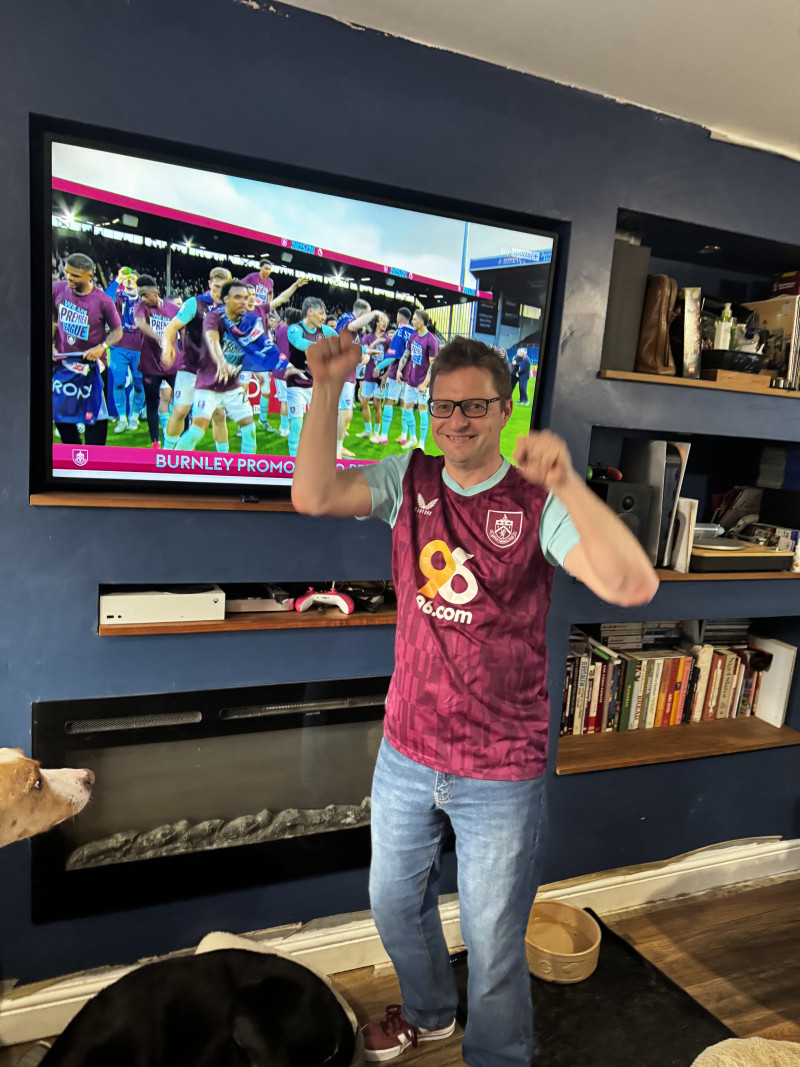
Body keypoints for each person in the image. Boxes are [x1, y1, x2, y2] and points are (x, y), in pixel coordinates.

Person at [291, 333, 658, 1067]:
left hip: (499, 766)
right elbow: (314, 494)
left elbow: (633, 585)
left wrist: (569, 483)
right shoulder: (408, 478)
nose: (457, 421)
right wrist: (327, 387)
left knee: (493, 939)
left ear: (504, 409)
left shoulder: (536, 499)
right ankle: (429, 1015)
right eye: (444, 406)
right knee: (394, 903)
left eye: (475, 406)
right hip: (407, 750)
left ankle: (498, 1055)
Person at [173, 279, 289, 453]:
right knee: (198, 428)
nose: (245, 301)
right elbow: (212, 339)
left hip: (231, 383)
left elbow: (260, 344)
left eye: (247, 297)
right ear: (226, 299)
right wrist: (221, 362)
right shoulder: (214, 317)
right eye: (239, 297)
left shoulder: (250, 319)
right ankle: (173, 459)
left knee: (248, 425)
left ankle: (244, 465)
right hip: (209, 380)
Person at [52, 252, 122, 446]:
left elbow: (117, 331)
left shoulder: (103, 300)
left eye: (75, 275)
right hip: (64, 364)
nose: (69, 278)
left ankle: (94, 457)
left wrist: (102, 347)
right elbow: (50, 318)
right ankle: (73, 449)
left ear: (89, 276)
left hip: (94, 367)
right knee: (61, 414)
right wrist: (51, 345)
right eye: (67, 273)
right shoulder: (57, 289)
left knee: (96, 419)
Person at [160, 267, 231, 451]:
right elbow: (171, 327)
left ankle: (223, 459)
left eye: (223, 288)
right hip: (190, 367)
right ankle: (167, 452)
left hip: (214, 372)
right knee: (180, 410)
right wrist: (167, 347)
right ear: (209, 284)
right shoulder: (195, 303)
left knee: (219, 415)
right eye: (216, 287)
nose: (219, 292)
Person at [133, 276, 180, 447]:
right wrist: (161, 338)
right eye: (140, 295)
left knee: (181, 403)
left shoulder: (173, 309)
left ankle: (183, 439)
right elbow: (140, 324)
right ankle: (155, 441)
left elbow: (184, 330)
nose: (143, 299)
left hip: (172, 364)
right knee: (152, 403)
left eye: (145, 295)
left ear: (156, 293)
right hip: (150, 364)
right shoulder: (140, 307)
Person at [104, 266, 144, 433]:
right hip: (118, 347)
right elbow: (105, 299)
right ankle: (122, 418)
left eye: (133, 278)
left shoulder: (144, 300)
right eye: (127, 278)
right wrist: (118, 279)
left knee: (139, 385)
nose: (130, 280)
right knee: (119, 383)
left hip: (140, 348)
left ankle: (134, 416)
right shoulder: (118, 297)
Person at [372, 307, 414, 445]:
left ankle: (383, 436)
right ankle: (404, 436)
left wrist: (378, 367)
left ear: (399, 317)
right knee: (406, 404)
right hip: (411, 373)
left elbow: (392, 356)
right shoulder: (415, 332)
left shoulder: (400, 331)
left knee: (389, 402)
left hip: (397, 372)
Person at [397, 310, 438, 451]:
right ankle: (413, 438)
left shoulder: (431, 340)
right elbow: (406, 355)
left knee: (422, 412)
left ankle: (421, 444)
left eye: (414, 319)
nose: (412, 321)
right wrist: (399, 370)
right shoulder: (413, 337)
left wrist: (424, 384)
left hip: (424, 384)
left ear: (422, 321)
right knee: (407, 409)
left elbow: (433, 364)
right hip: (411, 381)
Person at [357, 311, 391, 440]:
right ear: (377, 322)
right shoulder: (367, 337)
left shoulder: (388, 340)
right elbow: (366, 352)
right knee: (364, 402)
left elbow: (392, 359)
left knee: (377, 404)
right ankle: (368, 430)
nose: (385, 324)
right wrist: (377, 342)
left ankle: (376, 432)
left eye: (386, 322)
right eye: (382, 321)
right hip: (368, 375)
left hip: (381, 378)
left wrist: (386, 375)